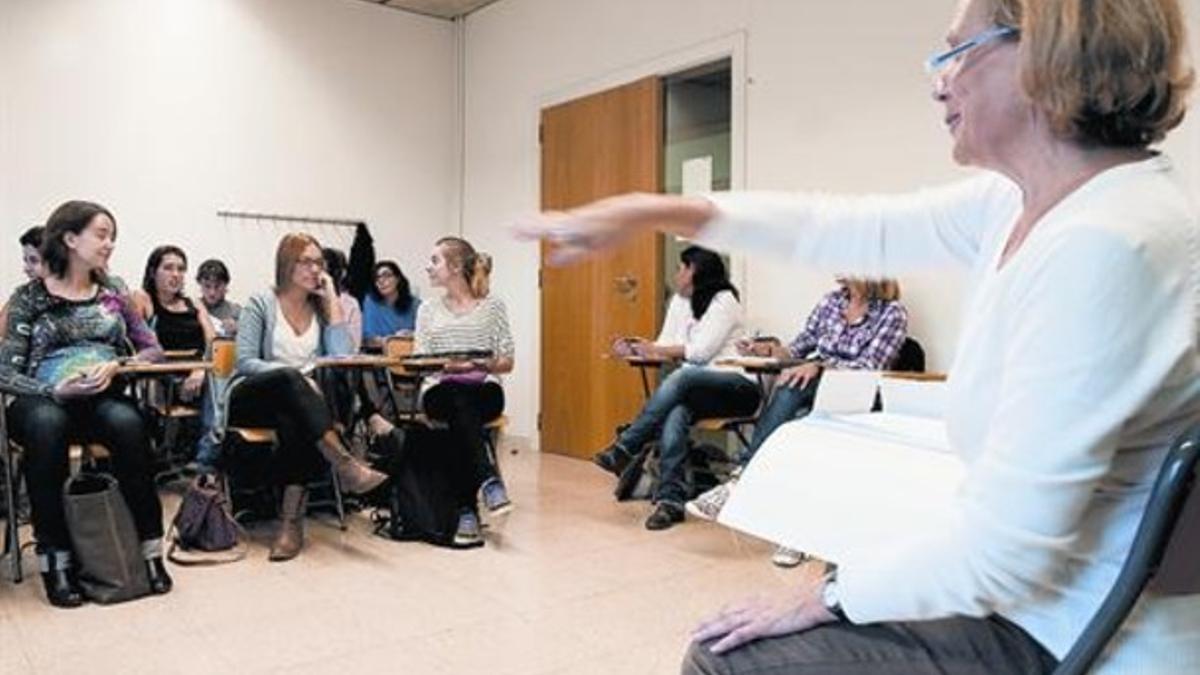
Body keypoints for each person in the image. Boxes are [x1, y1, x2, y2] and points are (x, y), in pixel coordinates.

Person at [516, 0, 1198, 671]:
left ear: (1046, 50)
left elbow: (1003, 551)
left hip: (1072, 626)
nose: (939, 81)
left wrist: (828, 593)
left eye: (956, 53)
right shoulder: (1027, 202)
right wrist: (651, 209)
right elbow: (841, 226)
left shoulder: (1106, 244)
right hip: (1037, 598)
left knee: (728, 658)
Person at [0, 201, 173, 607]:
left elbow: (153, 351)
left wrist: (117, 364)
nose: (110, 243)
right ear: (70, 238)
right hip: (40, 399)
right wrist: (54, 391)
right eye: (101, 234)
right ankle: (56, 562)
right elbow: (5, 373)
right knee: (47, 425)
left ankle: (148, 553)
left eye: (112, 235)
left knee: (129, 425)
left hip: (100, 396)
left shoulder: (114, 292)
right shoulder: (29, 298)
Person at [686, 277, 907, 566]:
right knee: (799, 429)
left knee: (794, 386)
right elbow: (798, 348)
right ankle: (795, 535)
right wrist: (768, 351)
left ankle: (741, 479)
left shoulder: (891, 312)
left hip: (858, 397)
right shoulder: (831, 301)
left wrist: (819, 366)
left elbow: (870, 367)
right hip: (816, 395)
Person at [227, 233, 387, 561]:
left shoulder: (321, 306)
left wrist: (331, 298)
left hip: (299, 405)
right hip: (253, 396)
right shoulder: (261, 302)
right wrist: (295, 377)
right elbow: (244, 361)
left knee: (296, 419)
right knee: (289, 378)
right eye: (306, 261)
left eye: (319, 262)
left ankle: (291, 525)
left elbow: (342, 357)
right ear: (287, 263)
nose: (315, 268)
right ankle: (344, 465)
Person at [593, 245, 760, 531]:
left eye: (681, 268)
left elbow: (698, 353)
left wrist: (662, 350)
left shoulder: (724, 301)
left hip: (736, 388)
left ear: (695, 270)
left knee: (682, 378)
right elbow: (664, 345)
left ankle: (629, 443)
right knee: (675, 413)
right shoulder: (680, 301)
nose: (677, 273)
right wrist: (637, 346)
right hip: (697, 391)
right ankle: (670, 501)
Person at [409, 236, 515, 546]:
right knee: (457, 400)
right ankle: (487, 482)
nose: (428, 267)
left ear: (455, 267)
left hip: (484, 389)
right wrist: (449, 367)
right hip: (438, 389)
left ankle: (467, 511)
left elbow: (507, 361)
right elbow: (421, 359)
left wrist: (474, 365)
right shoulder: (427, 309)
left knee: (462, 412)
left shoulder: (493, 306)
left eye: (435, 261)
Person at [132, 245, 221, 472]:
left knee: (232, 380)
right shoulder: (144, 299)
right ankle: (207, 457)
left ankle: (217, 453)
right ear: (153, 272)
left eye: (181, 269)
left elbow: (213, 341)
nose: (176, 274)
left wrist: (200, 369)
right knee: (219, 384)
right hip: (168, 379)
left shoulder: (193, 303)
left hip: (203, 372)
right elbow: (135, 342)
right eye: (168, 268)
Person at [0, 225, 48, 340]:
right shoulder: (24, 294)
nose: (26, 268)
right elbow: (3, 330)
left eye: (34, 260)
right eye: (26, 260)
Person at [362, 260, 421, 346]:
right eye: (377, 278)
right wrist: (392, 341)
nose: (381, 281)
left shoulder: (415, 305)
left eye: (387, 276)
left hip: (410, 352)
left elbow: (425, 335)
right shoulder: (371, 302)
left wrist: (411, 335)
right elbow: (368, 338)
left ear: (398, 279)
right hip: (379, 354)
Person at [322, 248, 363, 352]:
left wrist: (331, 294)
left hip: (338, 363)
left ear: (342, 273)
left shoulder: (350, 304)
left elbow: (353, 348)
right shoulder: (303, 299)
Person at [195, 259, 242, 338]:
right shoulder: (192, 309)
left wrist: (239, 329)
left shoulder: (236, 311)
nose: (212, 292)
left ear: (225, 285)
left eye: (217, 287)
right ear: (200, 284)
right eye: (207, 286)